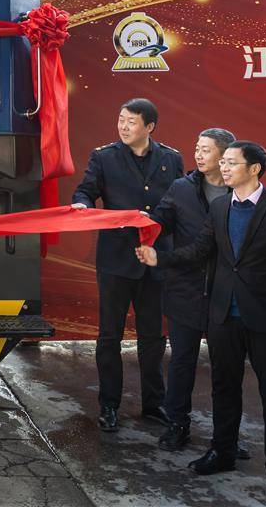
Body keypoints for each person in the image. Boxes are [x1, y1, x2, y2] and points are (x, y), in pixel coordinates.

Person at [137, 141, 266, 502]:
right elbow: (200, 250)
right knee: (224, 387)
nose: (224, 168)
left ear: (254, 169)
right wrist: (161, 259)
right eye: (225, 162)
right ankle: (223, 451)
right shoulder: (219, 208)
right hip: (222, 316)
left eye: (232, 163)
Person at [71, 98, 183, 432]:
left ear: (149, 126)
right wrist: (81, 205)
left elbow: (179, 203)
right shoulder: (104, 157)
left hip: (155, 259)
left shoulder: (171, 159)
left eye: (131, 121)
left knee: (153, 337)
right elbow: (85, 191)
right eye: (121, 119)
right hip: (116, 260)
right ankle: (109, 405)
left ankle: (154, 403)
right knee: (109, 336)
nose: (123, 126)